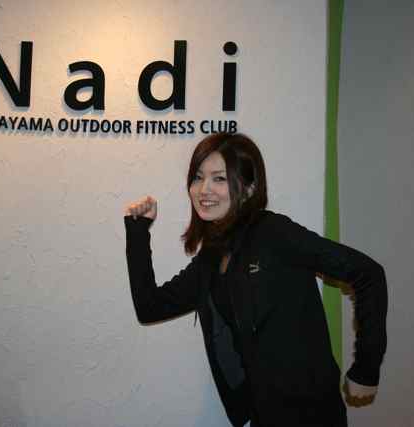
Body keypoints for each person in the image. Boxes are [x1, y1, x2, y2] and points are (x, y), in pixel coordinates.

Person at [123, 133, 387, 426]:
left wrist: (366, 369)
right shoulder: (212, 255)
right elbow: (150, 307)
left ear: (249, 188)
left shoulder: (273, 233)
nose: (203, 189)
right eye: (198, 177)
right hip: (264, 413)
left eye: (219, 178)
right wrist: (138, 231)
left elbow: (368, 274)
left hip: (312, 413)